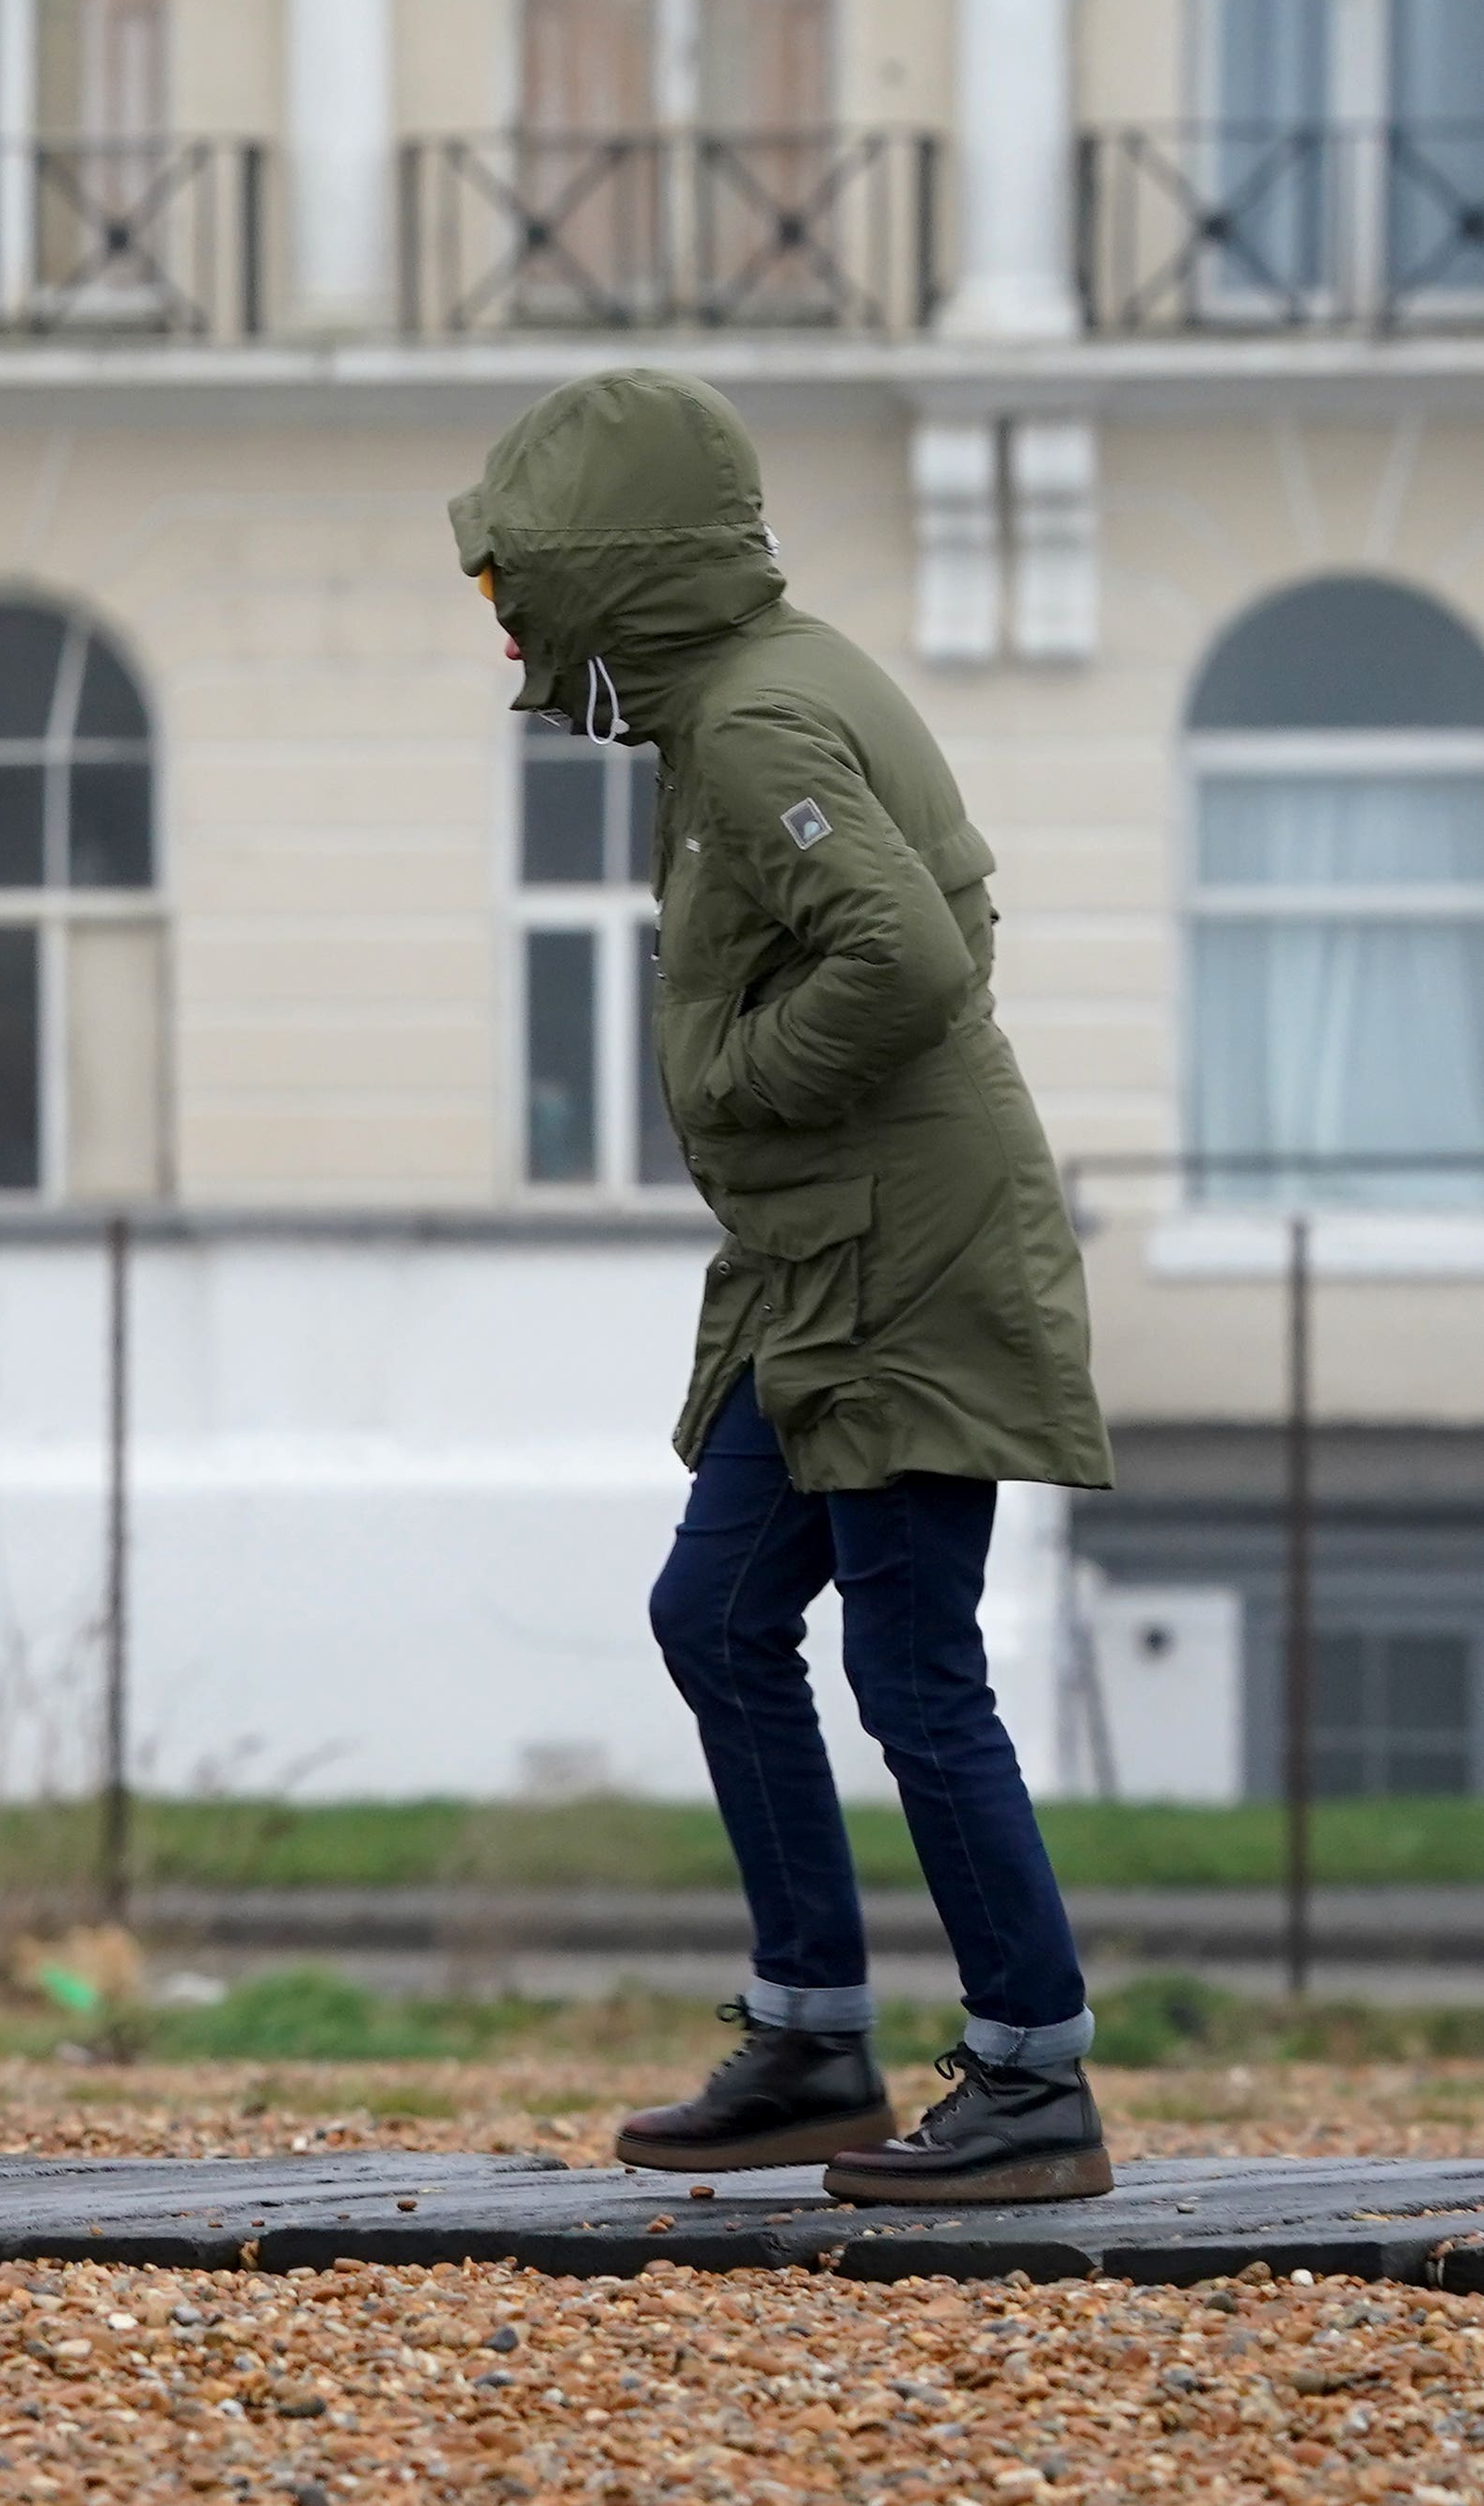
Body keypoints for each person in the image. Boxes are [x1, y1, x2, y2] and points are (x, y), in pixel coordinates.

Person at [450, 372, 1117, 2206]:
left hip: (900, 1261)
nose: (507, 635)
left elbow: (909, 956)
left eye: (520, 594)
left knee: (914, 1664)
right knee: (716, 1612)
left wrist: (738, 1080)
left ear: (613, 577)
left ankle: (1028, 2075)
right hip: (817, 1263)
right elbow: (954, 913)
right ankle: (812, 2033)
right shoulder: (756, 694)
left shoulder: (753, 724)